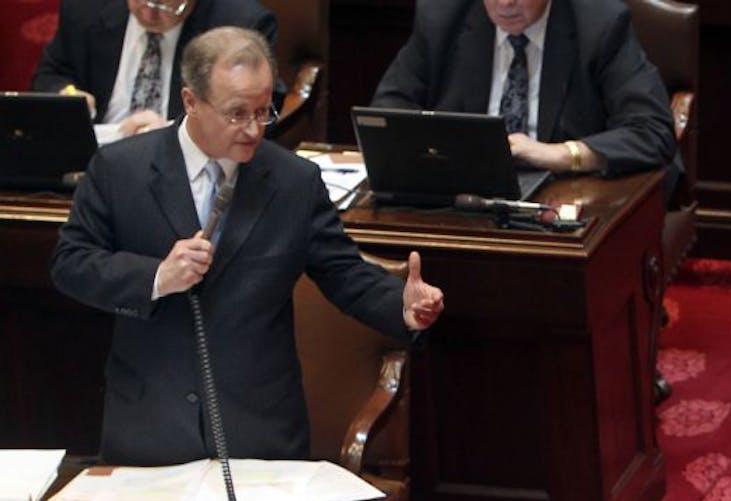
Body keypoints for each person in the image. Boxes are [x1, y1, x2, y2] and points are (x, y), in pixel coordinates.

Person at [51, 26, 445, 467]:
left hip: (259, 433)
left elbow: (343, 272)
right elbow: (72, 264)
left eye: (263, 111)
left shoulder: (294, 182)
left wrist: (401, 305)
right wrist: (157, 277)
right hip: (150, 429)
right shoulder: (120, 169)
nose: (254, 129)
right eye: (237, 113)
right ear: (190, 102)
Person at [370, 0, 677, 186]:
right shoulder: (442, 17)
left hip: (563, 193)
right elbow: (387, 111)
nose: (505, 4)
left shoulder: (600, 23)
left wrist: (561, 154)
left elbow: (653, 131)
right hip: (463, 197)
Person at [32, 0, 281, 140]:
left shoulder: (240, 25)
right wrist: (67, 95)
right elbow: (50, 74)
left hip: (183, 164)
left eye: (165, 5)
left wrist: (178, 130)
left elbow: (258, 112)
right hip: (93, 155)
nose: (150, 11)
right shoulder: (85, 8)